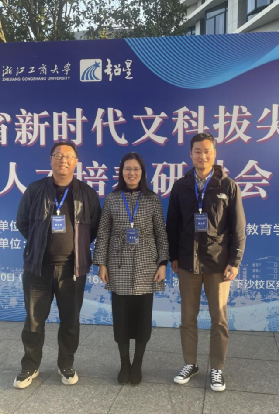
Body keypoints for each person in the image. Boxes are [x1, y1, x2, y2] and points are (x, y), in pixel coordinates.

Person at [13, 143, 101, 389]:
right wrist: (39, 244)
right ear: (50, 160)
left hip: (72, 270)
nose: (63, 160)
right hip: (37, 268)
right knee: (33, 321)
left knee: (70, 322)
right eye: (58, 156)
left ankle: (66, 364)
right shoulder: (35, 189)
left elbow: (94, 228)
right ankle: (30, 366)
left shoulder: (87, 193)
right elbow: (22, 222)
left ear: (76, 162)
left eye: (68, 156)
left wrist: (77, 247)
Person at [167, 133, 246, 392]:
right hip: (188, 263)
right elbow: (173, 225)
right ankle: (190, 363)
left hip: (218, 264)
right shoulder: (181, 186)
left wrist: (234, 261)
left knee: (219, 319)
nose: (203, 156)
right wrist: (174, 257)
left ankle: (217, 368)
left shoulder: (228, 186)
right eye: (198, 151)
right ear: (190, 154)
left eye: (207, 151)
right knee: (187, 318)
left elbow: (238, 228)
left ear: (215, 153)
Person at [93, 152, 169, 386]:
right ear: (121, 172)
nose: (131, 173)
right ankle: (124, 363)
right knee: (122, 320)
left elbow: (161, 233)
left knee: (143, 321)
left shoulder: (152, 199)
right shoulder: (112, 198)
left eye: (136, 169)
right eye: (127, 168)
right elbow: (103, 232)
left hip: (147, 266)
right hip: (118, 265)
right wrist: (102, 263)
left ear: (142, 172)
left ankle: (137, 364)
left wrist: (163, 263)